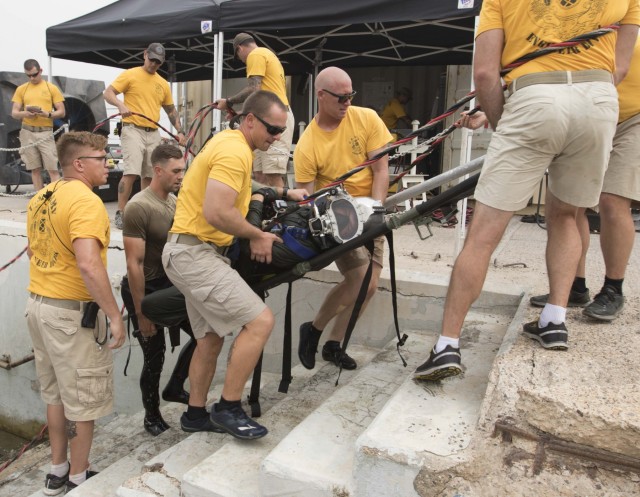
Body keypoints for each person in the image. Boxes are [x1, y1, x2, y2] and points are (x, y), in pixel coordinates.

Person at [413, 0, 640, 382]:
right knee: (568, 215)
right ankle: (555, 320)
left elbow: (485, 74)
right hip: (598, 99)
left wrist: (504, 124)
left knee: (485, 230)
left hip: (534, 95)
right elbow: (619, 66)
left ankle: (447, 346)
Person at [161, 90, 289, 440]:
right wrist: (256, 236)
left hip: (187, 251)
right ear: (250, 120)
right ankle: (229, 407)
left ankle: (196, 413)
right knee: (260, 321)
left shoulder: (231, 145)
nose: (276, 137)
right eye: (272, 129)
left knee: (210, 338)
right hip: (194, 254)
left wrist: (286, 193)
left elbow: (240, 188)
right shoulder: (236, 151)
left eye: (281, 131)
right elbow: (217, 212)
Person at [25, 131, 126, 495]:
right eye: (102, 159)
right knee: (82, 402)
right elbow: (88, 263)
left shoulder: (41, 196)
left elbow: (35, 253)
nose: (109, 165)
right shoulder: (86, 202)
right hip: (69, 317)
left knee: (56, 396)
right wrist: (114, 315)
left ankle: (57, 470)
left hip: (39, 307)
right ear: (80, 164)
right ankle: (78, 479)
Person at [528, 37, 640, 322]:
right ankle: (575, 287)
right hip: (585, 115)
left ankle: (613, 288)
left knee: (612, 200)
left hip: (632, 117)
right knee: (569, 203)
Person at [294, 66, 392, 371]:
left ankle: (334, 344)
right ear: (321, 96)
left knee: (371, 286)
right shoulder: (308, 145)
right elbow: (307, 199)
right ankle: (314, 328)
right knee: (361, 280)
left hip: (372, 212)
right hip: (340, 220)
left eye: (351, 95)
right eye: (341, 97)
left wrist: (375, 209)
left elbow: (381, 169)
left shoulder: (367, 118)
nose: (348, 102)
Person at [121, 143, 197, 437]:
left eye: (183, 169)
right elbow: (134, 264)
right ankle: (151, 415)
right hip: (145, 289)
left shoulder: (174, 200)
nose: (181, 175)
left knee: (206, 333)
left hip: (170, 285)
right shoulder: (139, 207)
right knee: (155, 355)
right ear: (158, 170)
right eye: (176, 170)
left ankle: (176, 386)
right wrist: (141, 313)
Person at [104, 43, 186, 230]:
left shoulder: (162, 84)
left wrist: (180, 131)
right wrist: (120, 105)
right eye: (152, 60)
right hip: (133, 129)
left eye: (158, 62)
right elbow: (108, 93)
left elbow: (171, 110)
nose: (153, 64)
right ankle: (121, 213)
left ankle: (144, 211)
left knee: (150, 175)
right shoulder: (130, 74)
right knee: (131, 172)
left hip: (153, 132)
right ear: (144, 55)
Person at [213, 33, 295, 188]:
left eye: (238, 56)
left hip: (274, 120)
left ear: (239, 48)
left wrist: (228, 102)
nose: (242, 61)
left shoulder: (255, 55)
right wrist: (242, 114)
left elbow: (253, 89)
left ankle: (281, 211)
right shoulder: (267, 54)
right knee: (259, 174)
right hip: (264, 118)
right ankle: (262, 211)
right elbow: (259, 94)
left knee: (273, 173)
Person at [11, 59, 65, 192]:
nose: (32, 78)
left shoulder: (51, 88)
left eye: (34, 74)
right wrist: (25, 113)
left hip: (45, 131)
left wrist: (48, 114)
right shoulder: (21, 89)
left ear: (40, 71)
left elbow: (62, 111)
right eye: (28, 75)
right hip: (27, 132)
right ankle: (39, 199)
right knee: (34, 169)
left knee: (52, 168)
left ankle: (55, 198)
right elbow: (14, 113)